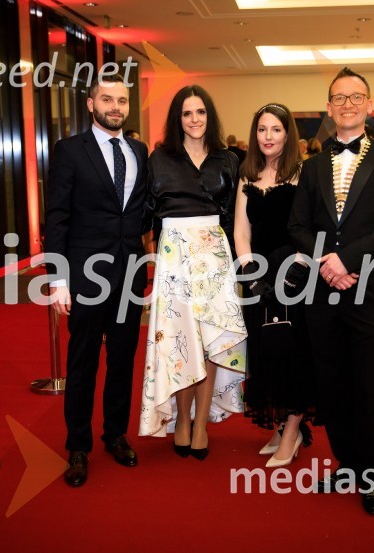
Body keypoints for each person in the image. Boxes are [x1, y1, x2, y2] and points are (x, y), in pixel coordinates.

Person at [288, 67, 374, 514]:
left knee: (369, 385)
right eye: (338, 98)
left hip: (372, 291)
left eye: (355, 97)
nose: (347, 104)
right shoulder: (312, 166)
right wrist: (329, 263)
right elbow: (297, 226)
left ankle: (373, 474)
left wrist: (350, 260)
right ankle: (346, 463)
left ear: (369, 105)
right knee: (333, 384)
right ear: (328, 107)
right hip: (323, 293)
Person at [45, 74, 149, 487]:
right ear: (91, 104)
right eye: (107, 99)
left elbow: (143, 213)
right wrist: (58, 278)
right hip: (85, 275)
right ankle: (78, 446)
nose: (116, 107)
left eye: (122, 101)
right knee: (83, 361)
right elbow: (57, 217)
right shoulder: (70, 151)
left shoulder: (140, 150)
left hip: (129, 275)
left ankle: (115, 434)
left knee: (123, 359)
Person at [139, 85, 247, 461]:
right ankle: (180, 419)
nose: (195, 119)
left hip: (215, 258)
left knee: (211, 343)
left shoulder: (228, 159)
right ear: (177, 119)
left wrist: (239, 265)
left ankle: (200, 423)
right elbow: (145, 214)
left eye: (200, 112)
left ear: (210, 116)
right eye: (187, 113)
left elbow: (235, 218)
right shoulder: (159, 159)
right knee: (180, 343)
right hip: (174, 258)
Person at [234, 103, 315, 468]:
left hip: (294, 274)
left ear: (288, 134)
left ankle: (294, 429)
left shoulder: (304, 173)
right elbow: (240, 231)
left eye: (276, 130)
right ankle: (282, 426)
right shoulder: (247, 173)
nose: (268, 137)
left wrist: (296, 269)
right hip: (257, 277)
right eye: (262, 129)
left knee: (293, 353)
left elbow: (313, 229)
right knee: (266, 351)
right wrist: (251, 275)